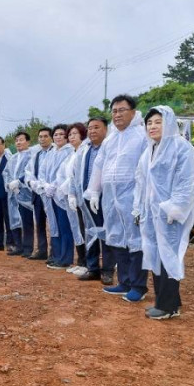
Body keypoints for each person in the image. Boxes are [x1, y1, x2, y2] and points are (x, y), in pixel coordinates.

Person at [134, 106, 194, 319]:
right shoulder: (150, 150)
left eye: (157, 122)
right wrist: (138, 209)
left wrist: (175, 208)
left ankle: (167, 307)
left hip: (170, 215)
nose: (152, 126)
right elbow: (141, 182)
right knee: (156, 257)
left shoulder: (180, 147)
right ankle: (168, 301)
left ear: (169, 122)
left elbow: (186, 180)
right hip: (152, 215)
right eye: (149, 122)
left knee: (168, 258)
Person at [85, 94, 148, 302]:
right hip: (111, 197)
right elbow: (99, 165)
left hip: (132, 195)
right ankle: (124, 281)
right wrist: (94, 191)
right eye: (114, 111)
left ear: (133, 111)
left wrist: (142, 197)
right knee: (116, 238)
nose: (118, 114)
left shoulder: (141, 135)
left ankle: (139, 286)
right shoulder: (111, 139)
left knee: (135, 240)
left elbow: (146, 167)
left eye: (122, 110)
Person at [70, 117, 115, 285]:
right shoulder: (84, 150)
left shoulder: (110, 147)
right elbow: (75, 174)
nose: (92, 131)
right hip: (86, 198)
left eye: (97, 127)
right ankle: (93, 267)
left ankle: (108, 271)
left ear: (106, 129)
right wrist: (73, 194)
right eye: (90, 128)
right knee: (90, 232)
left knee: (107, 234)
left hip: (106, 198)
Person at [39, 124, 74, 270]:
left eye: (61, 134)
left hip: (62, 195)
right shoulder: (51, 153)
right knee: (54, 226)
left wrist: (54, 186)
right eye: (56, 134)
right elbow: (42, 171)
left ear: (66, 137)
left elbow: (66, 174)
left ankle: (65, 258)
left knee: (65, 226)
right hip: (50, 195)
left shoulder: (70, 152)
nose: (58, 137)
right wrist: (45, 185)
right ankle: (57, 256)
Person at [56, 122, 88, 274]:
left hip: (83, 197)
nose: (71, 136)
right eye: (70, 134)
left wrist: (68, 188)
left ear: (82, 134)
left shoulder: (85, 151)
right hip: (73, 196)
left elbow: (77, 176)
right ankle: (82, 261)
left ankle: (88, 263)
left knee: (85, 229)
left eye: (75, 133)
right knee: (78, 229)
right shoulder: (73, 154)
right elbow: (67, 174)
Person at [3, 131, 36, 257]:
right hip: (13, 194)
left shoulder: (31, 156)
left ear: (28, 142)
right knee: (14, 220)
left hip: (25, 194)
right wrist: (9, 184)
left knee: (26, 221)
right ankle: (18, 246)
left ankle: (28, 248)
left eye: (21, 140)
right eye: (16, 140)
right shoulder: (13, 158)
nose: (18, 142)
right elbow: (6, 173)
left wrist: (19, 183)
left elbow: (30, 172)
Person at [25, 128, 54, 261]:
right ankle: (42, 250)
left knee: (54, 224)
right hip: (37, 194)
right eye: (40, 137)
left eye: (46, 136)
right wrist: (31, 182)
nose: (43, 139)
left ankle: (54, 252)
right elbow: (29, 172)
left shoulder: (55, 152)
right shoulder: (36, 155)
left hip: (51, 194)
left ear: (51, 138)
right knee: (40, 223)